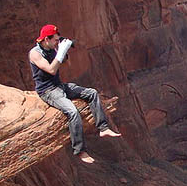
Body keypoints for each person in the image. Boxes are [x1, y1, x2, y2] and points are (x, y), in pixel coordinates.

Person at [29, 24, 120, 164]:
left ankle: (103, 128)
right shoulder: (35, 53)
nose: (57, 42)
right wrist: (60, 52)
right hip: (48, 91)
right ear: (46, 39)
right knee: (72, 112)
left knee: (92, 93)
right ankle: (80, 151)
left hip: (59, 86)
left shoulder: (51, 48)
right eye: (55, 40)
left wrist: (62, 49)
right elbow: (51, 70)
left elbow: (63, 61)